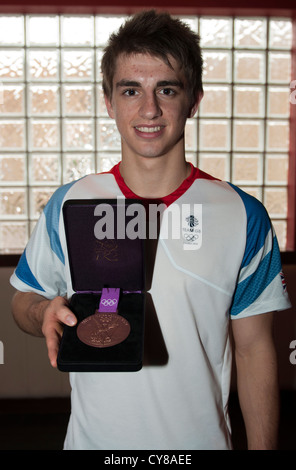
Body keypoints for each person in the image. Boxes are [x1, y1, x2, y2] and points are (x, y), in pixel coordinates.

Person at [10, 10, 291, 450]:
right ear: (109, 101)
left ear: (193, 100)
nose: (149, 109)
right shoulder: (70, 204)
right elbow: (24, 299)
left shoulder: (243, 214)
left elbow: (255, 350)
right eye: (130, 90)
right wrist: (42, 313)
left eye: (166, 89)